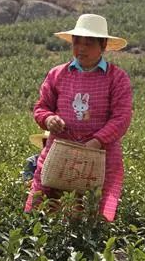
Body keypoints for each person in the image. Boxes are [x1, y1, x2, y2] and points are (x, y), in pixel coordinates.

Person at [24, 14, 133, 222]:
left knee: (94, 212)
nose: (81, 48)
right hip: (60, 151)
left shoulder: (117, 78)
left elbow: (121, 117)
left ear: (103, 46)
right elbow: (41, 107)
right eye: (77, 42)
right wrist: (48, 119)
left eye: (88, 43)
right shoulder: (58, 74)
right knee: (44, 205)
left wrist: (97, 141)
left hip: (102, 155)